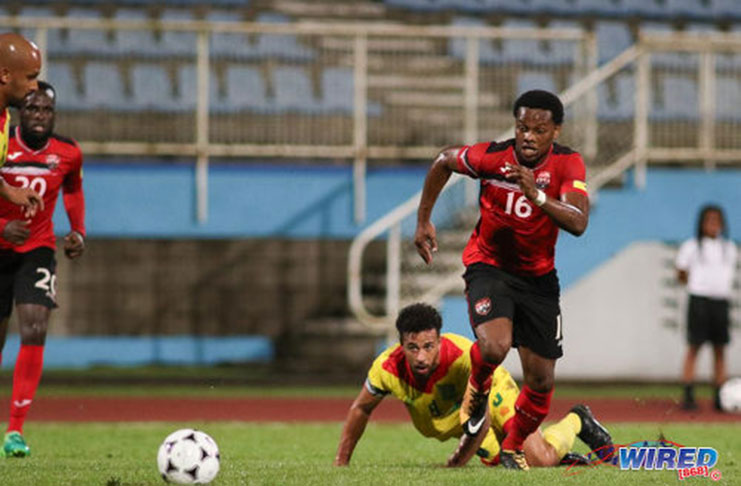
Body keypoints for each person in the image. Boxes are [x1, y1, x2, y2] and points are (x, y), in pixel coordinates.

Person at [414, 90, 589, 470]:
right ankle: (477, 391)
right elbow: (445, 159)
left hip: (539, 279)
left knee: (540, 383)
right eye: (522, 127)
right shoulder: (493, 157)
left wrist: (538, 195)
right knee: (494, 347)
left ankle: (511, 449)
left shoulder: (568, 164)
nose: (528, 136)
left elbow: (578, 221)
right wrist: (424, 218)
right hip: (489, 267)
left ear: (555, 131)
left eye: (538, 130)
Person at [333, 303, 613, 468]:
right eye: (412, 347)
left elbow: (482, 418)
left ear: (439, 342)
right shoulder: (386, 368)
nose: (420, 356)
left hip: (492, 397)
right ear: (401, 345)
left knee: (540, 459)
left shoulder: (462, 359)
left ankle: (578, 419)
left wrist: (455, 463)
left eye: (428, 346)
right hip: (462, 419)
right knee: (503, 465)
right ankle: (557, 455)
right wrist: (341, 463)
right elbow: (361, 408)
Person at [0, 81, 85, 457]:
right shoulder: (3, 146)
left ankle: (15, 431)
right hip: (0, 247)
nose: (39, 116)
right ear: (20, 112)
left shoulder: (67, 152)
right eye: (32, 109)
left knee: (35, 326)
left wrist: (78, 231)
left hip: (37, 247)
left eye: (46, 110)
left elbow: (73, 189)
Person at [676, 204, 737, 411]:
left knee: (720, 349)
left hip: (721, 301)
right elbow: (681, 272)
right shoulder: (691, 246)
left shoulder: (729, 248)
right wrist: (698, 284)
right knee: (694, 346)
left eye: (717, 221)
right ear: (702, 224)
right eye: (709, 221)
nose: (713, 225)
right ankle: (688, 393)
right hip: (700, 300)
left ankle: (720, 395)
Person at [0, 33, 44, 215]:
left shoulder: (5, 114)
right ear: (5, 75)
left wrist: (8, 190)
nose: (35, 87)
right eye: (30, 77)